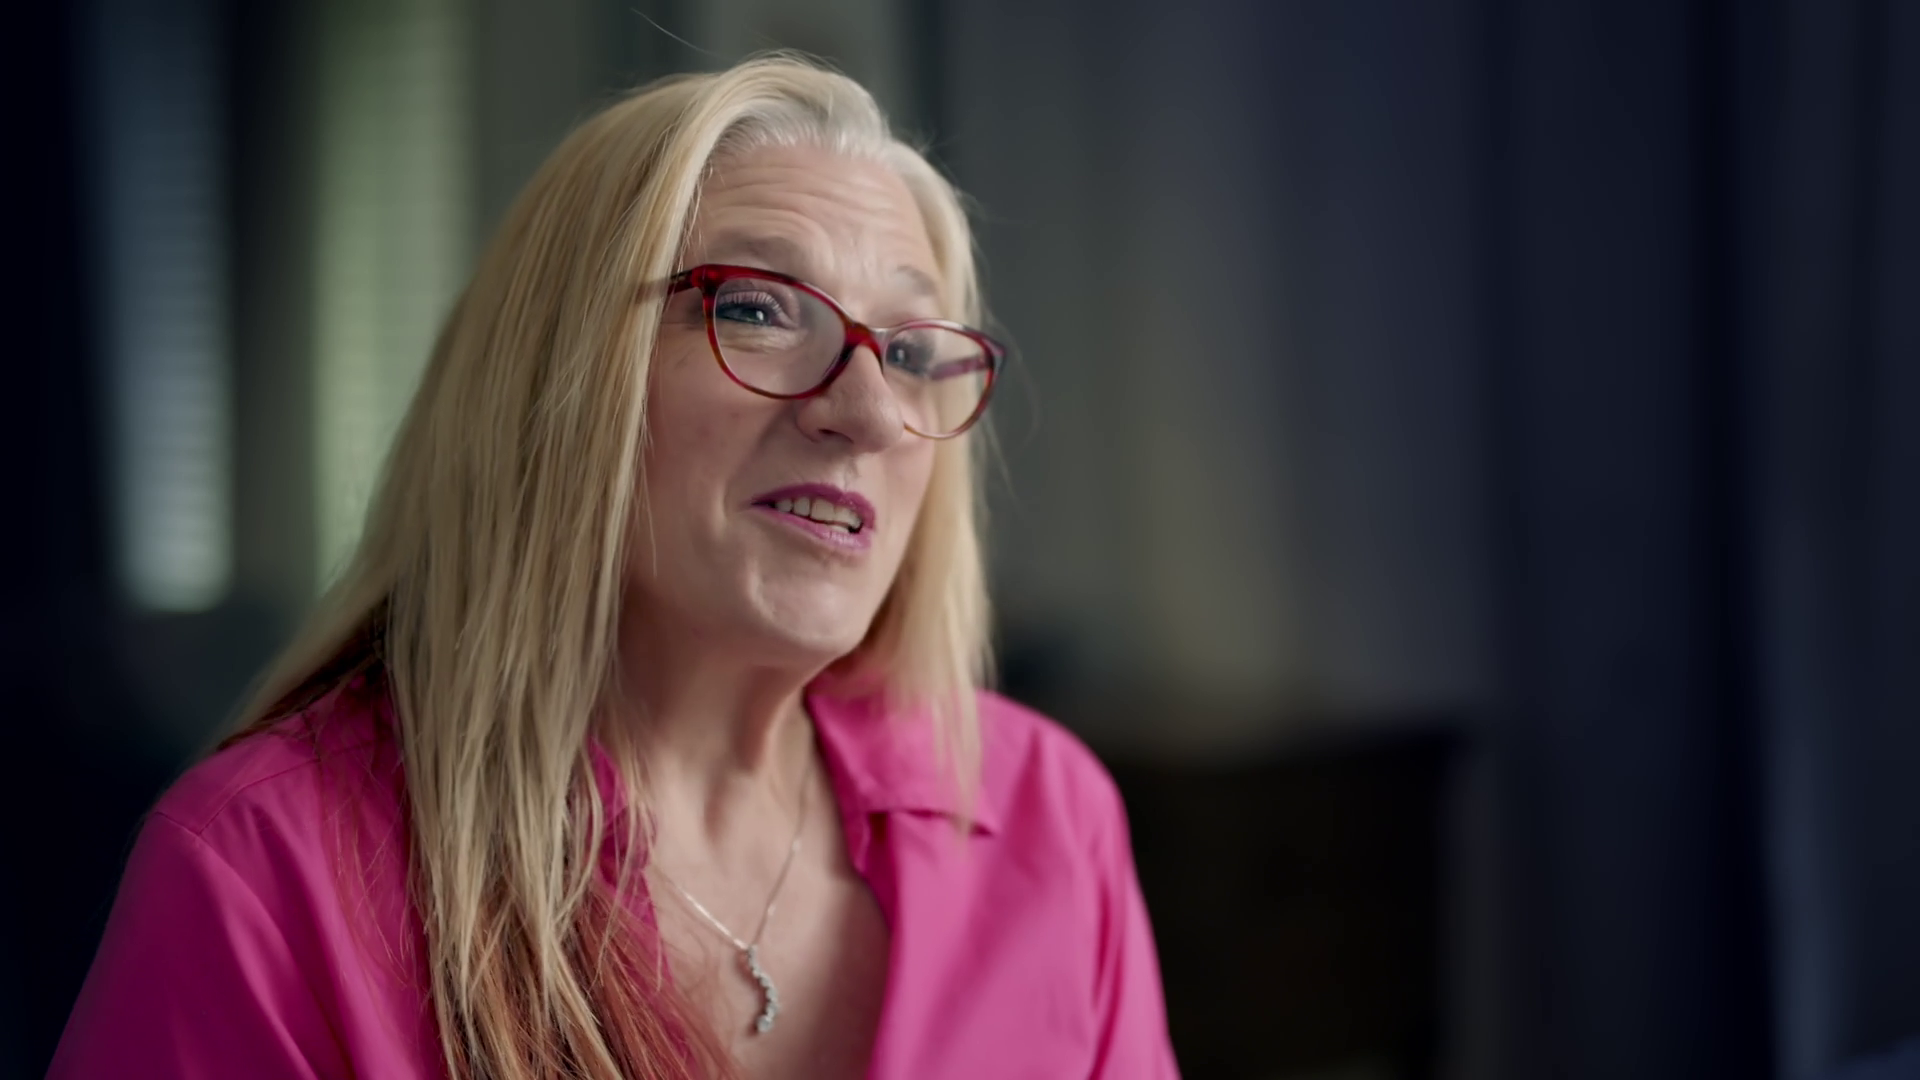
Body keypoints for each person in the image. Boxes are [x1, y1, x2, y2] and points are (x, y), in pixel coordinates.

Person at [48, 56, 1178, 1079]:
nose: (872, 412)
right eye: (758, 308)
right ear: (558, 379)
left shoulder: (1048, 816)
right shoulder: (263, 870)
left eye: (915, 351)